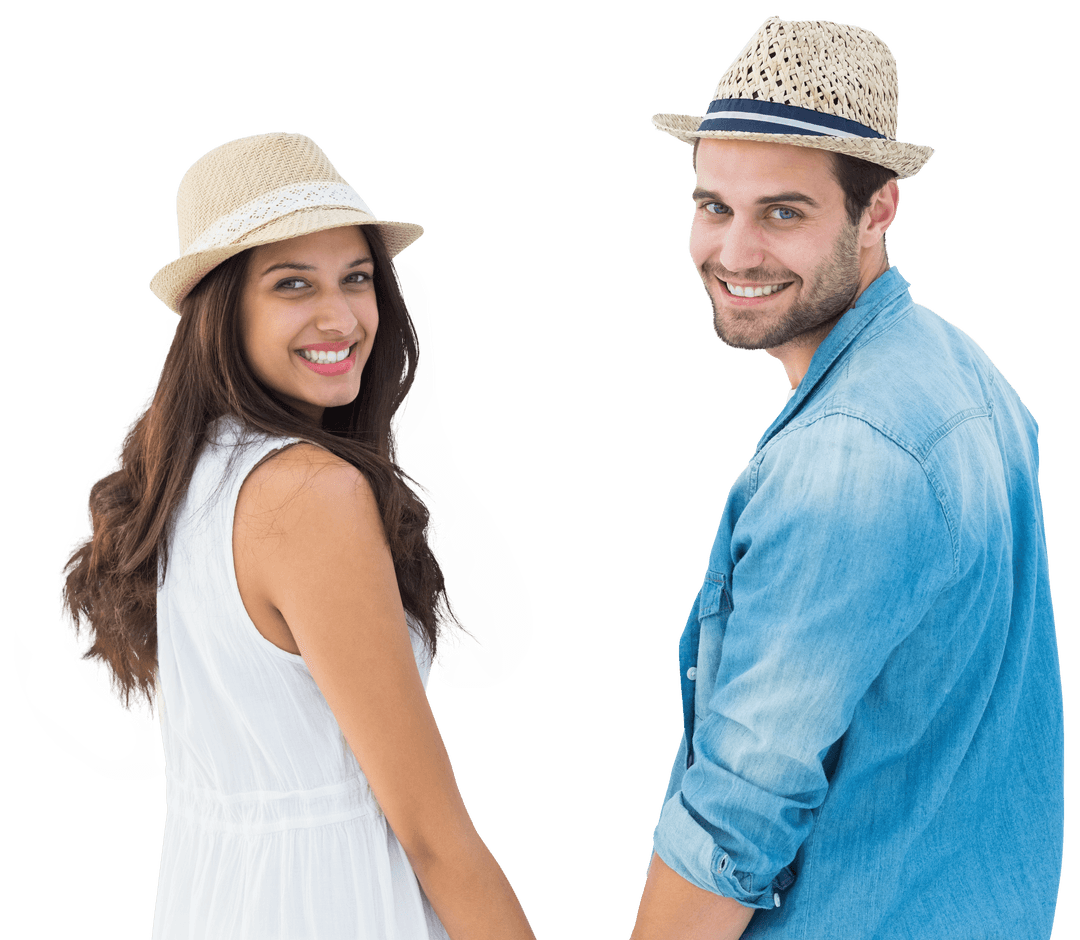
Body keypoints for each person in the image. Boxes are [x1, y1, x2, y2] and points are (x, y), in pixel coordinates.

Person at [629, 16, 1063, 940]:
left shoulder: (849, 460)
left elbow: (735, 820)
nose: (735, 252)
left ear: (879, 210)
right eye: (713, 206)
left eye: (783, 212)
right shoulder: (963, 375)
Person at [57, 131, 536, 940]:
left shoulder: (180, 479)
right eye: (292, 285)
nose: (342, 316)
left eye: (356, 278)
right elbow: (433, 837)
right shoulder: (311, 494)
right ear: (222, 311)